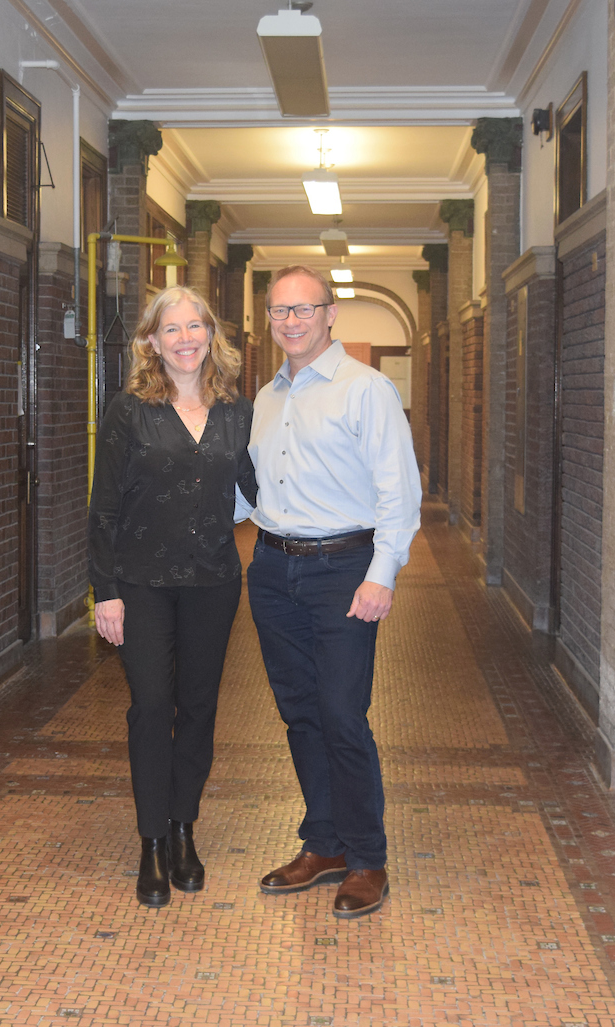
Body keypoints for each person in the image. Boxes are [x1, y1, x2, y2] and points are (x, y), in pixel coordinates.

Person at [248, 265, 422, 918]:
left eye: (304, 309)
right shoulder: (266, 398)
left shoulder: (366, 390)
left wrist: (382, 573)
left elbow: (398, 491)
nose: (291, 321)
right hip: (273, 570)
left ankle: (367, 856)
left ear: (330, 315)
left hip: (343, 570)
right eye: (279, 311)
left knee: (343, 714)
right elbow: (255, 489)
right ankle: (322, 843)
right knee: (301, 712)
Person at [88, 285, 257, 908]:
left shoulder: (238, 413)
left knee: (201, 709)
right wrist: (104, 592)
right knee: (153, 707)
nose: (185, 339)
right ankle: (151, 842)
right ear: (151, 342)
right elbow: (104, 509)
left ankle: (185, 828)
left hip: (213, 581)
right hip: (141, 585)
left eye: (196, 327)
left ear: (212, 335)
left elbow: (262, 488)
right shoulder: (129, 410)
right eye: (172, 329)